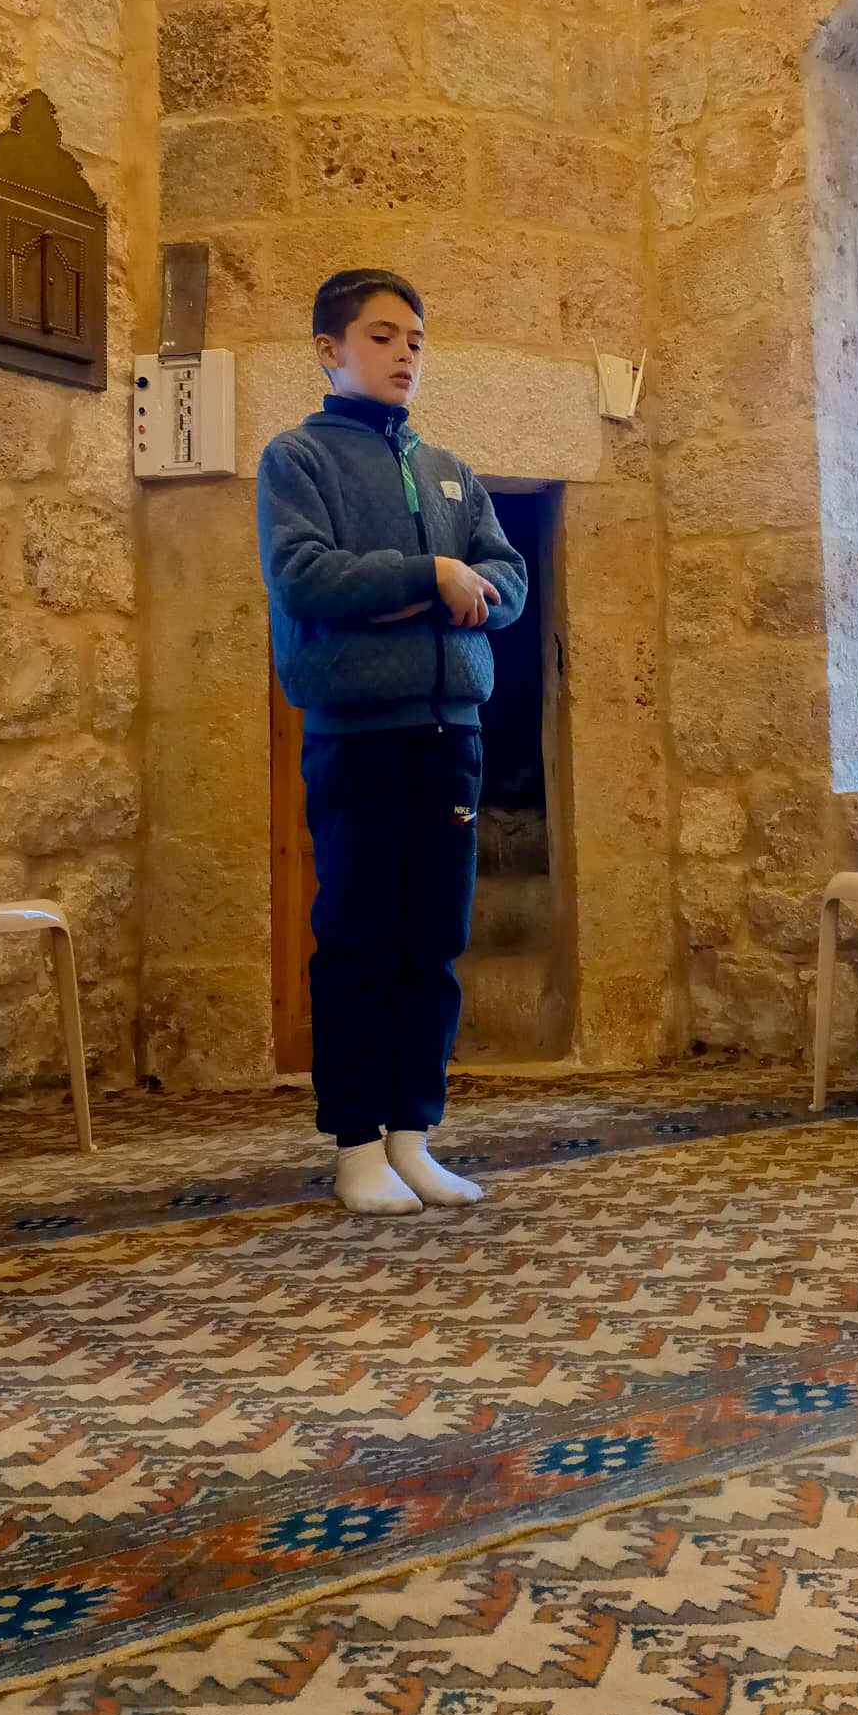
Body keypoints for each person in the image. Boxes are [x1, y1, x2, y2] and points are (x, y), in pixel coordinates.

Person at [256, 269, 527, 1217]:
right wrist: (432, 578)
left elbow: (508, 579)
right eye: (381, 337)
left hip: (454, 733)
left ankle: (413, 1136)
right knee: (359, 938)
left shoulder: (450, 468)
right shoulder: (297, 459)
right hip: (359, 738)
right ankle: (356, 1146)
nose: (404, 353)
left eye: (414, 339)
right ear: (329, 350)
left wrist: (456, 583)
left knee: (433, 941)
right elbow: (305, 578)